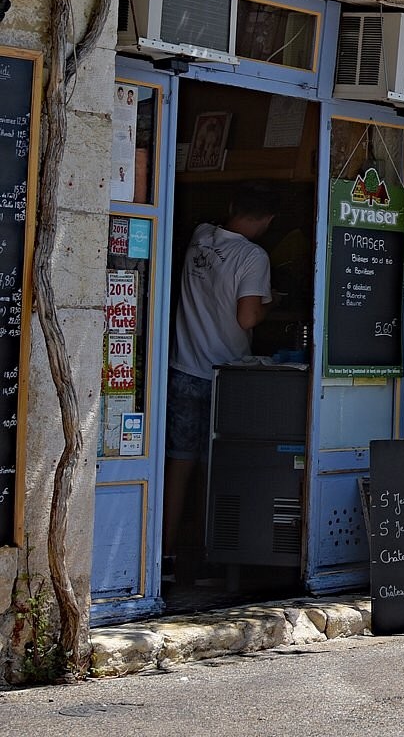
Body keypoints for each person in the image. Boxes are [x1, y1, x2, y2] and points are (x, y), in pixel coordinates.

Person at [162, 184, 278, 578]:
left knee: (180, 462)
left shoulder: (200, 236)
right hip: (225, 374)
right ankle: (214, 552)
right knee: (220, 468)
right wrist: (267, 305)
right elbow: (247, 318)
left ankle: (165, 552)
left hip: (182, 366)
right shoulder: (253, 256)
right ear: (268, 221)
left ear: (231, 204)